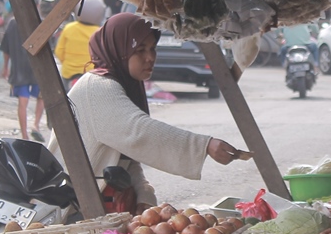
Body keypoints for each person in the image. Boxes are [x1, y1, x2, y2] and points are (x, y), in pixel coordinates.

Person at [48, 13, 243, 211]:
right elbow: (139, 133)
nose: (150, 57)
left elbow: (127, 157)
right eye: (140, 50)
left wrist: (145, 196)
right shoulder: (97, 87)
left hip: (97, 205)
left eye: (152, 49)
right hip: (68, 209)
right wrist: (205, 145)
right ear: (119, 50)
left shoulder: (124, 84)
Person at [0, 10, 45, 142]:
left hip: (18, 69)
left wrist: (5, 67)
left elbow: (6, 49)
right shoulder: (39, 22)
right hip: (36, 67)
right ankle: (35, 125)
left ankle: (24, 135)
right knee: (41, 97)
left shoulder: (12, 24)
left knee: (22, 102)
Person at [55, 0, 106, 89]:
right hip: (90, 74)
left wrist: (68, 62)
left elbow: (59, 51)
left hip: (68, 73)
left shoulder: (69, 28)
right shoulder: (100, 32)